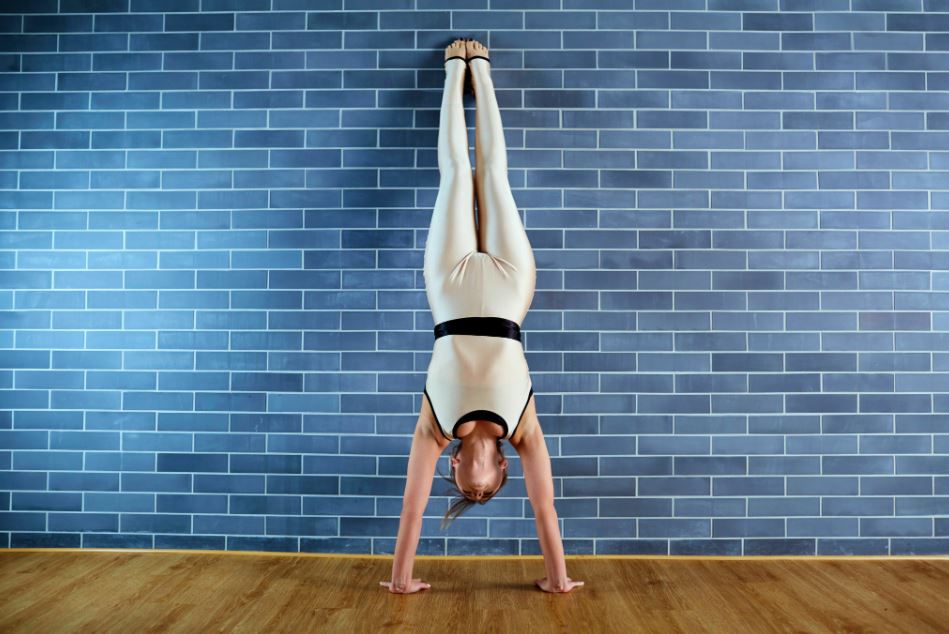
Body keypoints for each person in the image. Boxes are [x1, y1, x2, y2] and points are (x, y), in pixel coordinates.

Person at [379, 38, 584, 595]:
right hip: (511, 292)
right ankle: (483, 74)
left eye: (463, 493)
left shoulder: (434, 430)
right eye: (483, 493)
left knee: (454, 177)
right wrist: (558, 580)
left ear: (451, 470)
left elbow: (412, 514)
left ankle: (455, 73)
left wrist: (400, 581)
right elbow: (545, 511)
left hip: (447, 293)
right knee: (492, 178)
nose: (471, 489)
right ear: (501, 472)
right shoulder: (525, 431)